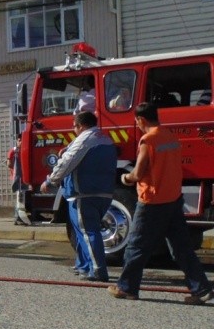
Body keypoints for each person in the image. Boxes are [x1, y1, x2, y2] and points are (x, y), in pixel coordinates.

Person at [108, 102, 213, 304]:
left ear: (141, 120)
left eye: (136, 121)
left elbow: (138, 173)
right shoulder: (170, 136)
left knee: (136, 246)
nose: (137, 125)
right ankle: (201, 290)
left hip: (152, 201)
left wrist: (124, 178)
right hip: (172, 199)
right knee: (181, 248)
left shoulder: (148, 140)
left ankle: (126, 288)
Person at [39, 111, 116, 282]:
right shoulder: (105, 138)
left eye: (74, 126)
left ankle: (98, 270)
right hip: (104, 192)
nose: (73, 130)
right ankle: (83, 265)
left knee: (89, 232)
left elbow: (66, 163)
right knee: (82, 232)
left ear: (80, 126)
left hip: (84, 194)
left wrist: (51, 181)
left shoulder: (84, 140)